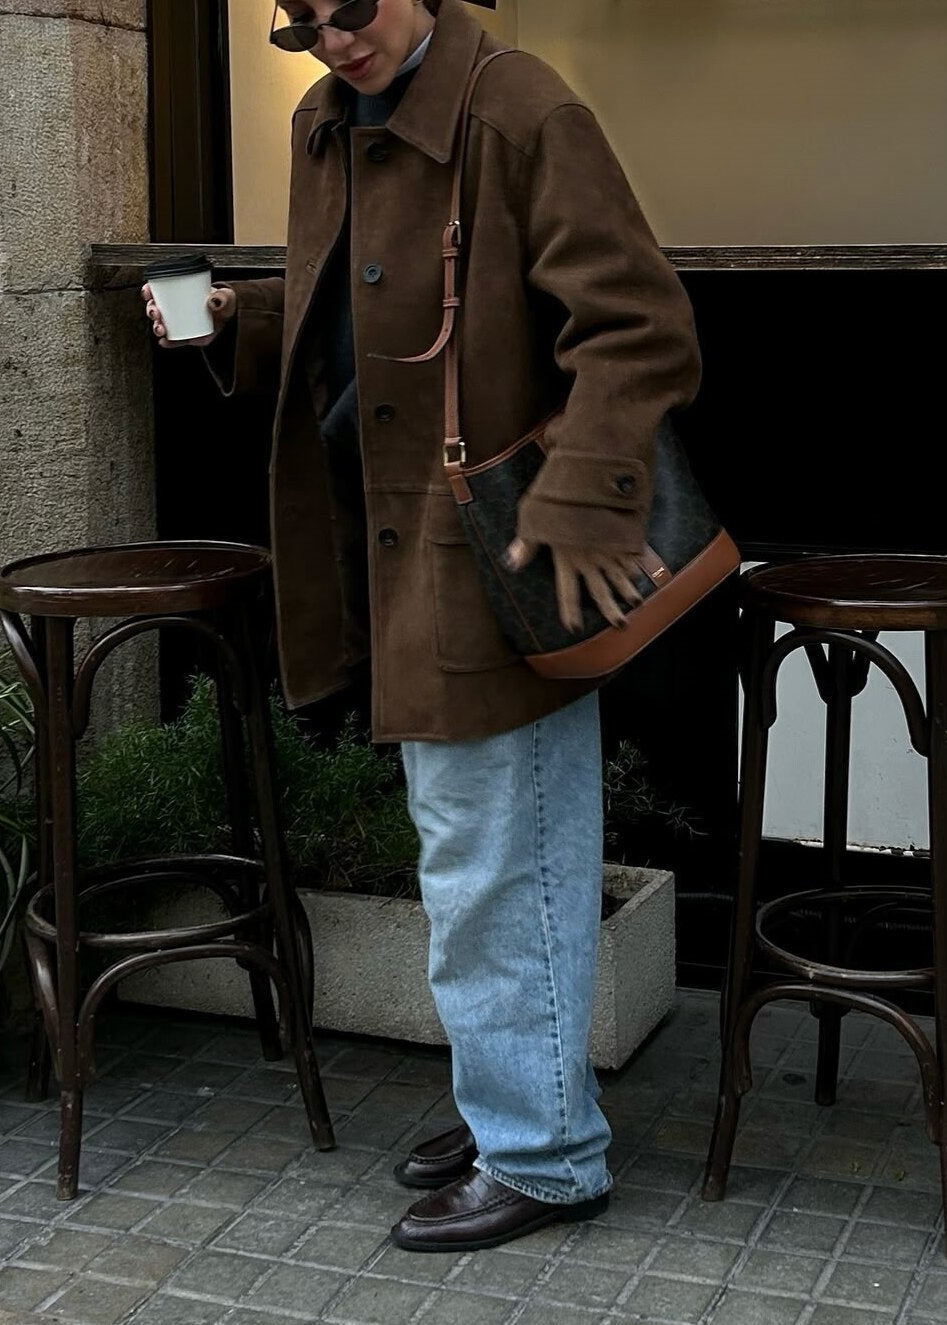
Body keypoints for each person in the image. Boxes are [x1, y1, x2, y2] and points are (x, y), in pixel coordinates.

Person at [143, 0, 701, 1253]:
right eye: (299, 23)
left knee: (500, 853)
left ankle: (543, 1155)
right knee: (473, 850)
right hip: (388, 548)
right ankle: (515, 1094)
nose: (331, 39)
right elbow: (368, 309)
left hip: (495, 547)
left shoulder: (518, 107)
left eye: (349, 8)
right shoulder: (327, 119)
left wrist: (578, 499)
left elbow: (638, 325)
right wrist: (243, 318)